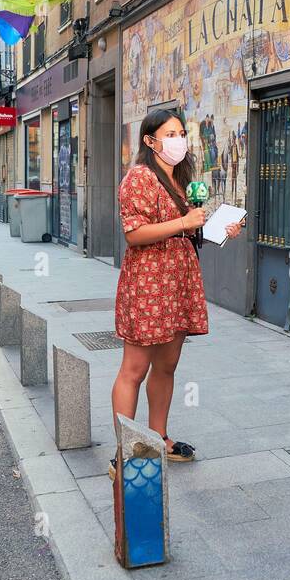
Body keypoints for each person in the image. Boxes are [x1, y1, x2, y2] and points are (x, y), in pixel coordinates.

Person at [111, 109, 244, 463]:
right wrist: (184, 221)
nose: (178, 139)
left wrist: (218, 229)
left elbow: (187, 230)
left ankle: (159, 438)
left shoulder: (180, 178)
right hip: (148, 285)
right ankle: (125, 451)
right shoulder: (139, 177)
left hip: (178, 282)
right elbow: (134, 233)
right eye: (170, 134)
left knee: (167, 366)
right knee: (134, 369)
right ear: (149, 140)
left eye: (181, 132)